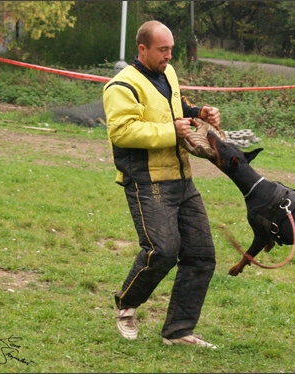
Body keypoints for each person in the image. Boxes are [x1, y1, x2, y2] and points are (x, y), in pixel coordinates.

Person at [102, 20, 220, 349]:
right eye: (162, 50)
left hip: (182, 178)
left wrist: (198, 112)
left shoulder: (168, 74)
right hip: (146, 180)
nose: (169, 56)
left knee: (201, 254)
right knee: (163, 250)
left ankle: (178, 330)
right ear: (142, 49)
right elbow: (122, 131)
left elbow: (173, 108)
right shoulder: (121, 86)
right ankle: (126, 305)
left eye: (170, 49)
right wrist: (174, 132)